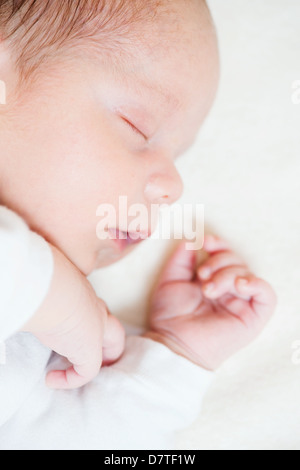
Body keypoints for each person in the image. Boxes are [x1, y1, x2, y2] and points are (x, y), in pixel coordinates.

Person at [0, 0, 277, 449]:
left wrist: (173, 358)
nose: (173, 185)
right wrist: (45, 290)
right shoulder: (52, 301)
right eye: (137, 127)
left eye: (178, 157)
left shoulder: (48, 336)